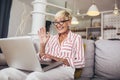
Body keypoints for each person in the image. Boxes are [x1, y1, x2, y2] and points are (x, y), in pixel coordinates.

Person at [0, 10, 85, 80]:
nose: (58, 25)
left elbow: (81, 62)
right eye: (55, 22)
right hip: (47, 67)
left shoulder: (76, 38)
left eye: (61, 21)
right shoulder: (51, 38)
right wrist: (42, 45)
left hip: (65, 70)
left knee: (34, 77)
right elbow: (43, 57)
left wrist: (60, 59)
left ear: (69, 22)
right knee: (5, 73)